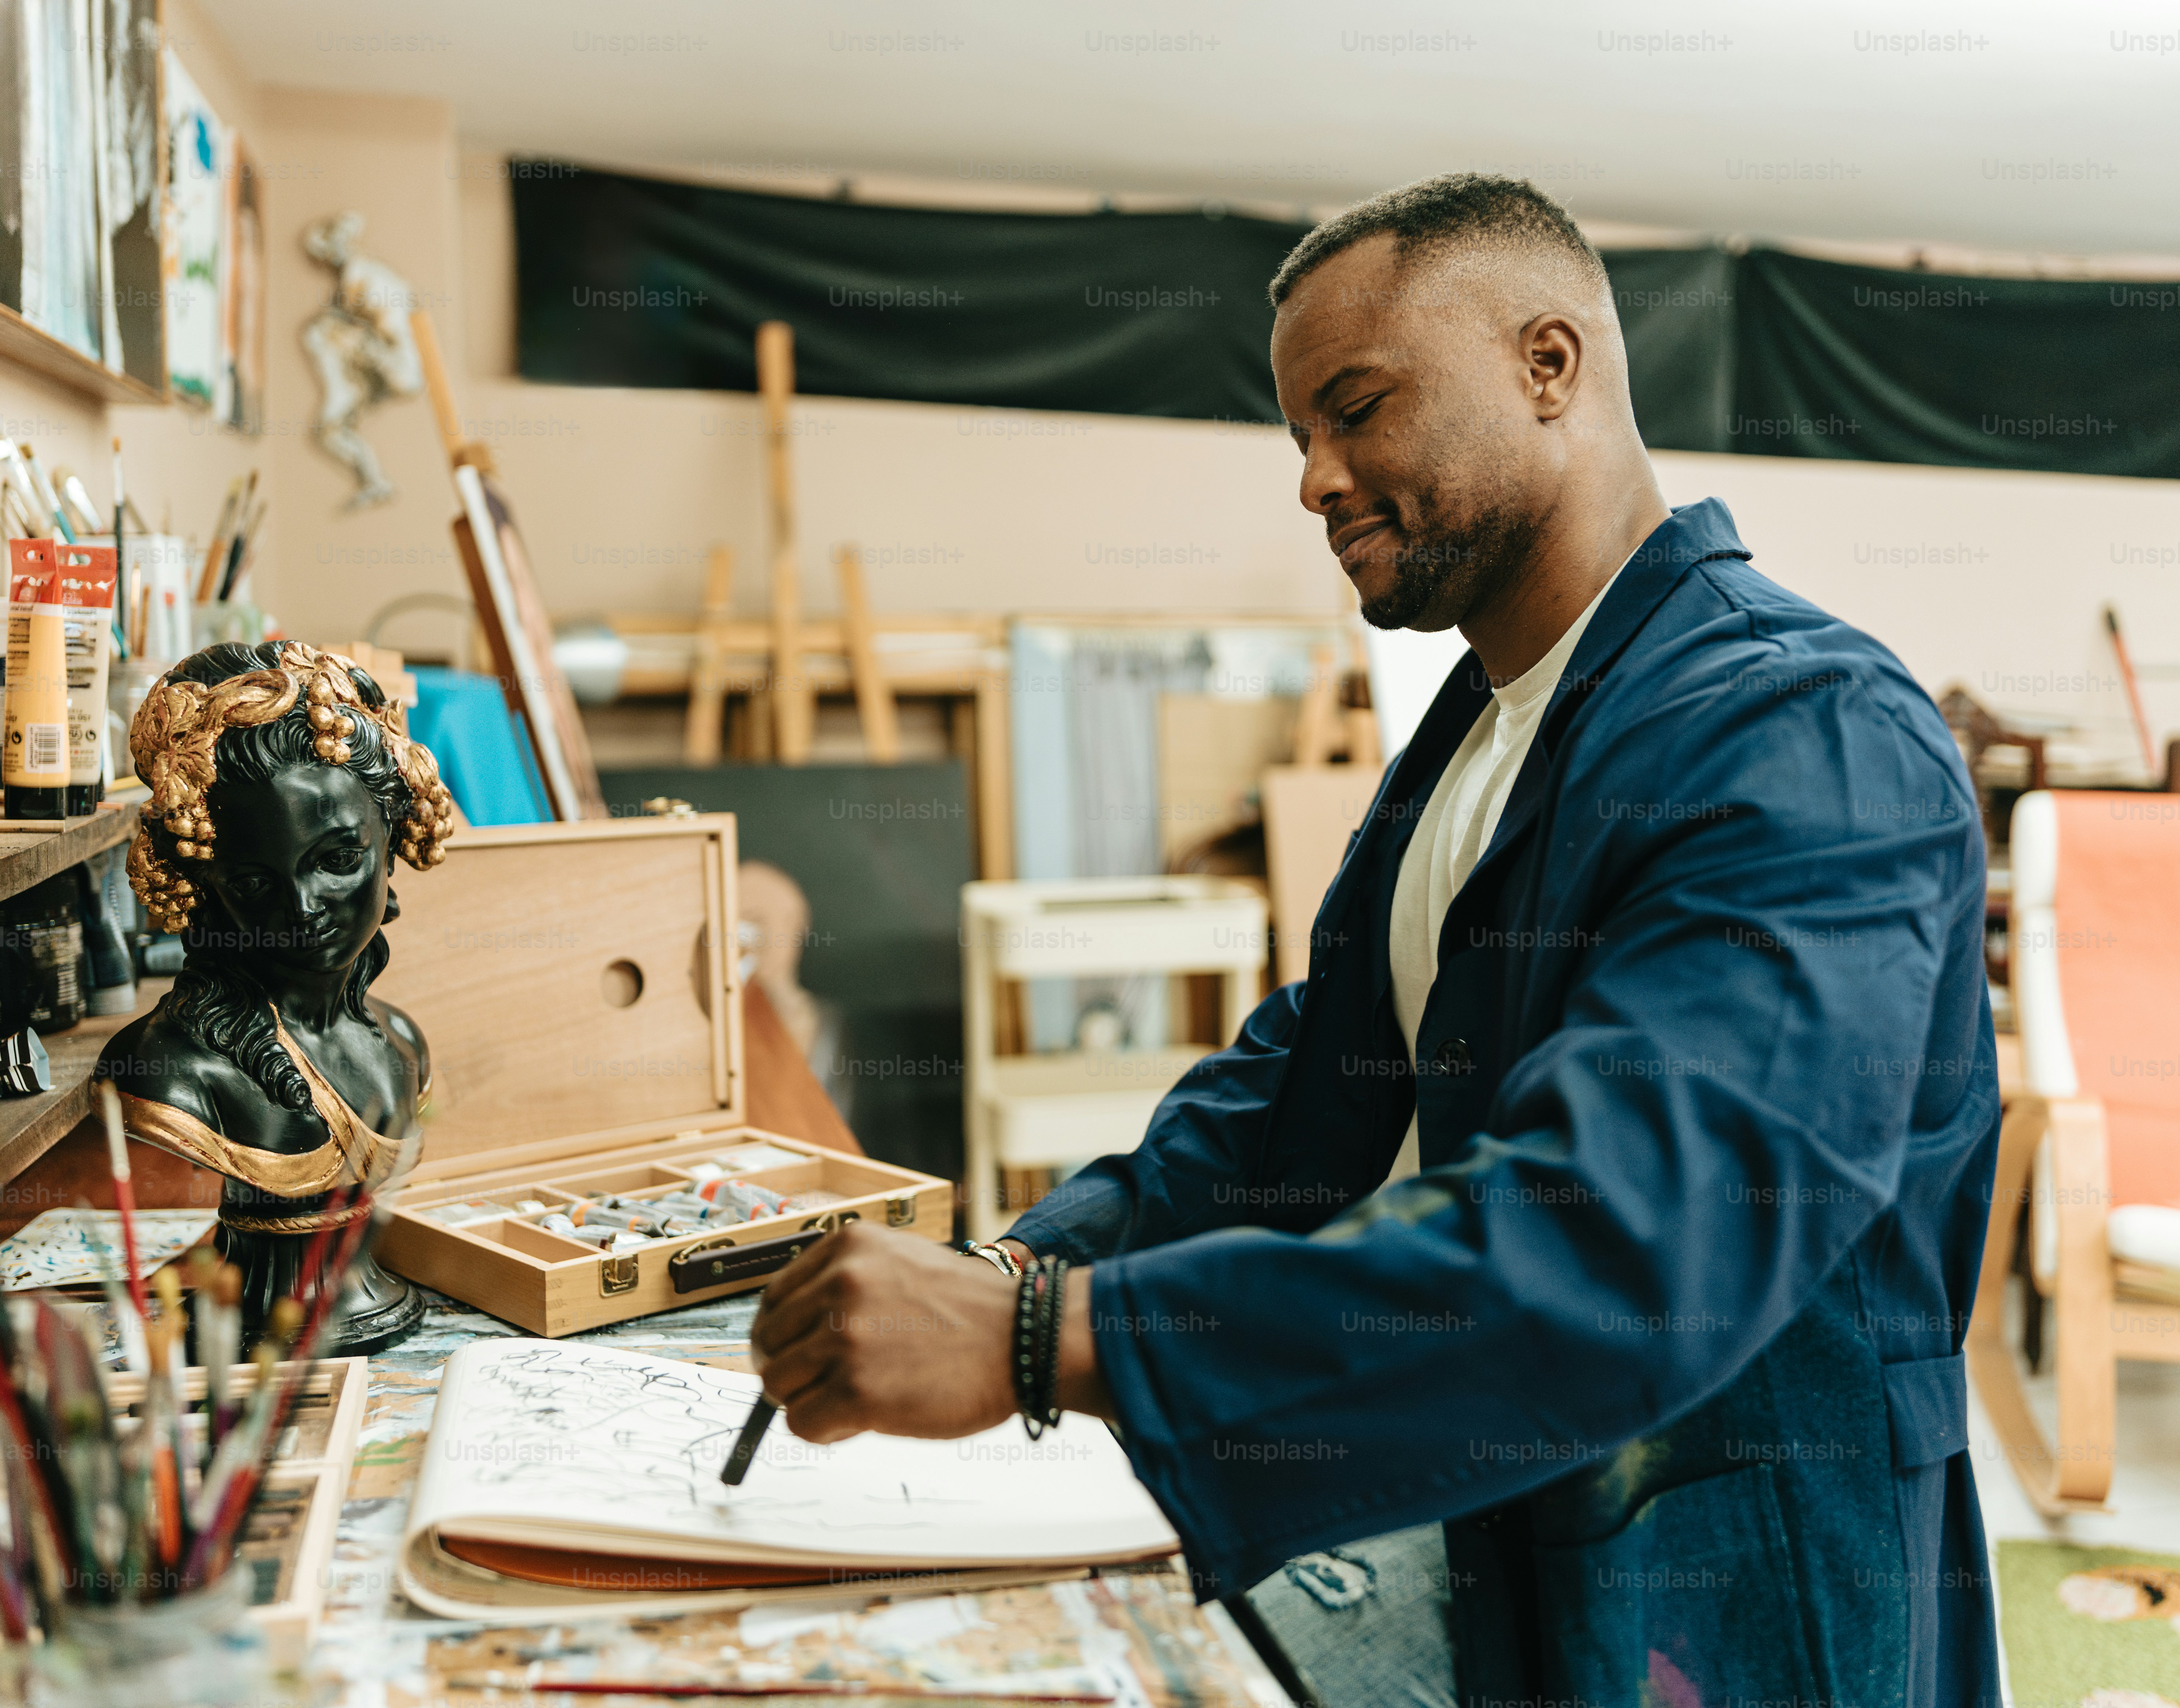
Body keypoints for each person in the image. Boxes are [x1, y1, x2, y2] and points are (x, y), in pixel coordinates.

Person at [749, 174, 2001, 1706]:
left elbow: (1623, 1245)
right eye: (1300, 439)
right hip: (1510, 1524)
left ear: (1552, 367)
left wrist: (1038, 1340)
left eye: (1356, 409)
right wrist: (1030, 1255)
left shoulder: (1804, 735)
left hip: (1730, 1591)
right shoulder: (1481, 732)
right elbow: (1307, 1094)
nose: (1315, 480)